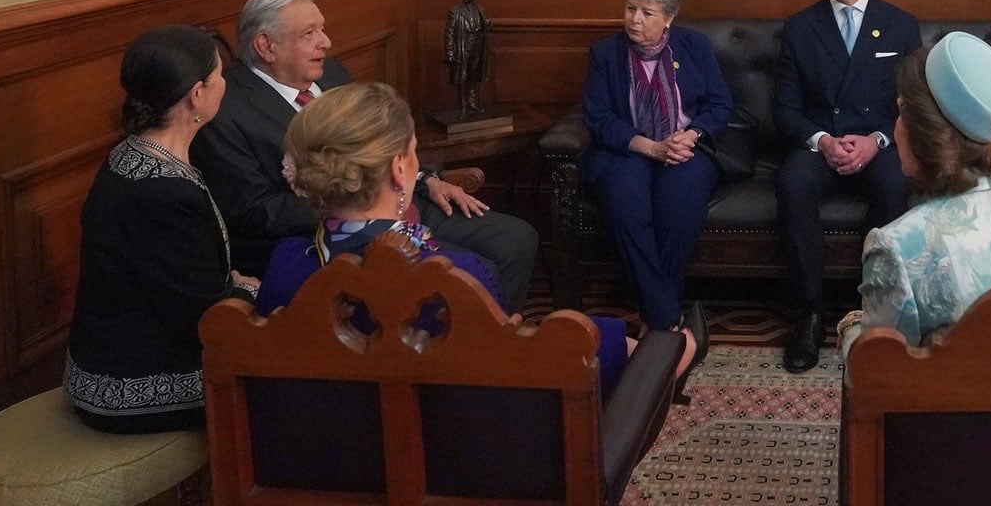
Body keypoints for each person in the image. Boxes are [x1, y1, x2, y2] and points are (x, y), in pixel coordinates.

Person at [254, 82, 693, 400]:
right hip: (456, 455)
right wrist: (622, 344)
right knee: (650, 353)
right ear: (400, 170)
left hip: (339, 463)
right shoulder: (456, 276)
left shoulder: (285, 268)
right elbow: (504, 375)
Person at [192, 0, 539, 311]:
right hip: (333, 229)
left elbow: (383, 138)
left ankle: (489, 348)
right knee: (471, 271)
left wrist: (428, 179)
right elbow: (253, 212)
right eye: (308, 34)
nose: (325, 42)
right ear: (266, 46)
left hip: (404, 197)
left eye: (322, 29)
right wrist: (346, 194)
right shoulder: (228, 113)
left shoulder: (331, 74)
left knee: (516, 239)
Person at [65, 25, 257, 433]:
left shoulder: (131, 152)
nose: (227, 83)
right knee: (300, 374)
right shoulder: (165, 193)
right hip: (128, 384)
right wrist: (249, 289)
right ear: (197, 93)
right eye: (220, 75)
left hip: (115, 354)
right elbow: (205, 318)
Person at [837, 33, 991, 357]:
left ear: (923, 133)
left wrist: (851, 327)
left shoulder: (896, 244)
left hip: (949, 407)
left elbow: (876, 373)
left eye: (901, 112)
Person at [775, 0, 922, 372]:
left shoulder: (899, 26)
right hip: (821, 144)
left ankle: (876, 312)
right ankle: (810, 311)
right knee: (791, 182)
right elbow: (785, 110)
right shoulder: (800, 28)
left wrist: (876, 140)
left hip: (878, 141)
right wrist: (822, 141)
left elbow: (912, 105)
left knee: (896, 185)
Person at [582, 0, 726, 353]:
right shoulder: (605, 54)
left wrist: (690, 135)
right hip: (627, 150)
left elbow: (719, 105)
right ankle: (666, 319)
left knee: (680, 202)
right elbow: (599, 119)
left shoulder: (694, 46)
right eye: (630, 8)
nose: (634, 19)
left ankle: (655, 320)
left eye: (647, 13)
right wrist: (650, 147)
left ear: (669, 18)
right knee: (626, 204)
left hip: (685, 146)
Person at [444, 0, 491, 119]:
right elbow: (449, 33)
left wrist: (488, 24)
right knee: (462, 78)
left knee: (473, 76)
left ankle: (472, 103)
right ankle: (464, 106)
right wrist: (450, 53)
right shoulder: (456, 11)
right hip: (463, 47)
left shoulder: (481, 9)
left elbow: (485, 27)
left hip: (477, 46)